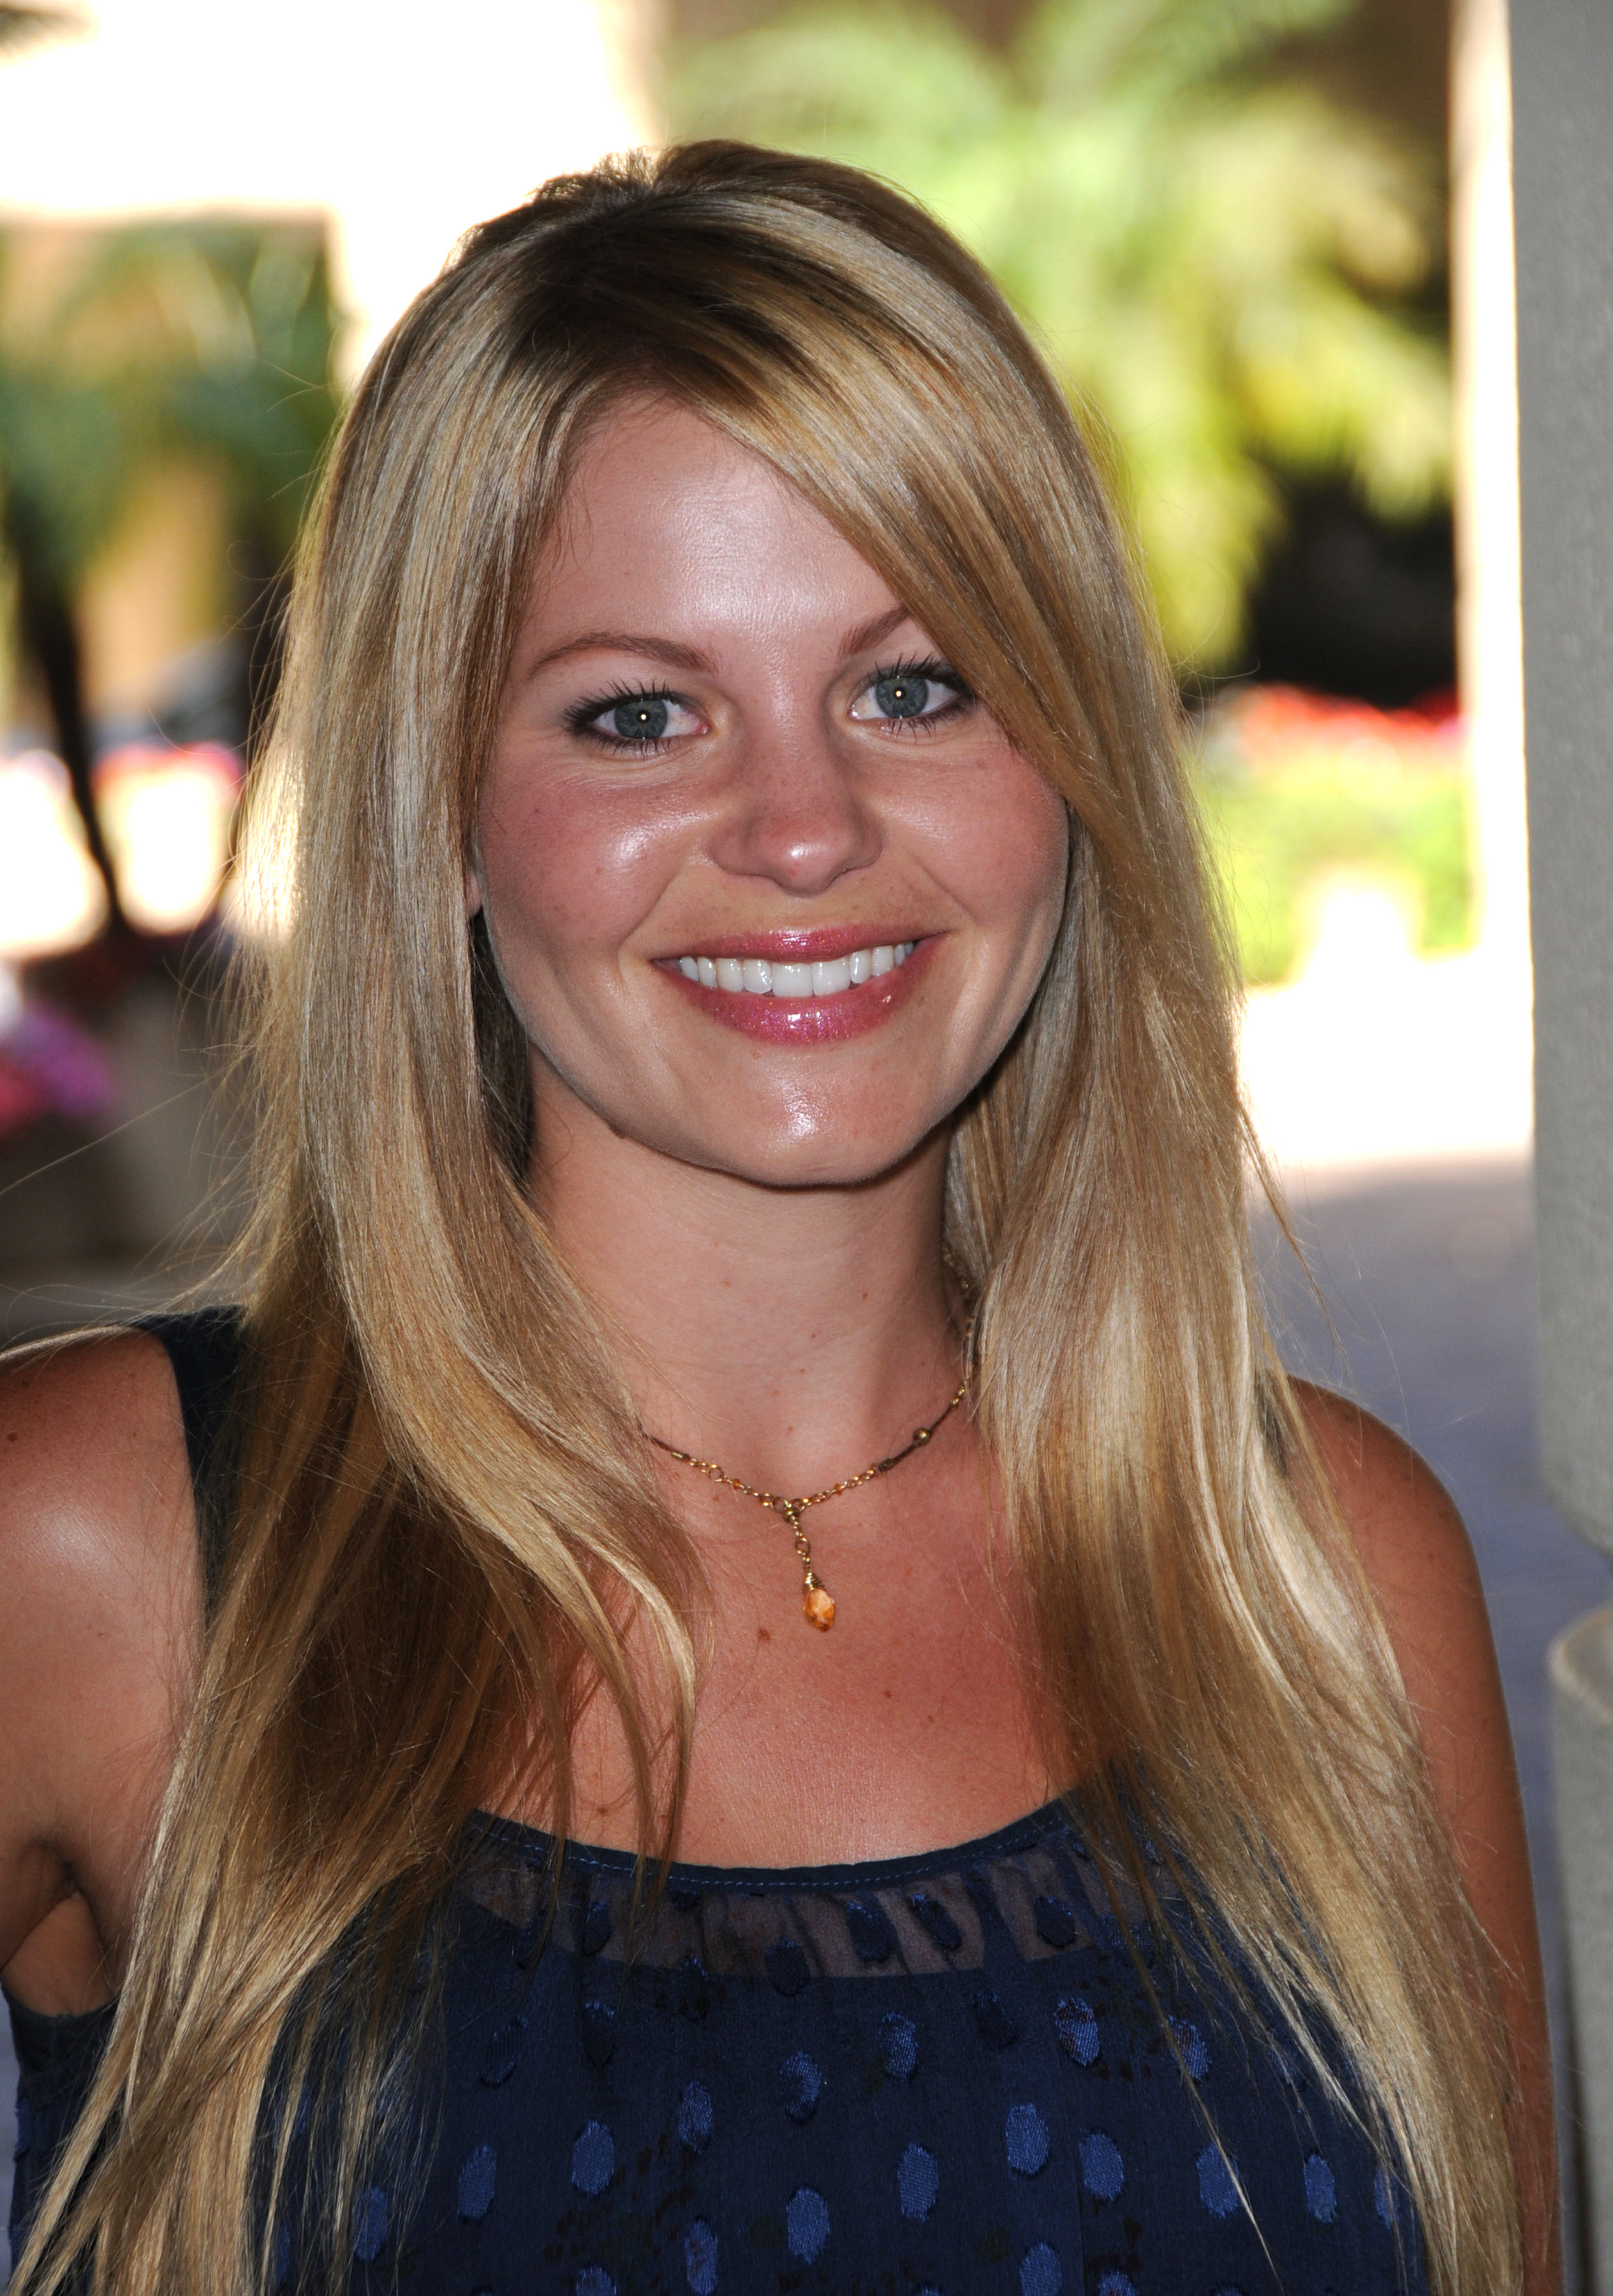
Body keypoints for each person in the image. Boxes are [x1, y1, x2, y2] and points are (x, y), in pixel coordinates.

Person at [0, 142, 1556, 2296]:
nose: (804, 829)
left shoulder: (1326, 1574)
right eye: (638, 715)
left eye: (916, 685)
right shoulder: (108, 1550)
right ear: (434, 814)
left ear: (1069, 760)